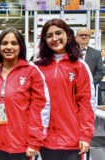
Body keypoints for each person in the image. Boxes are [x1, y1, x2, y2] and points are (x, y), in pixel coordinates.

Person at [0, 28, 50, 160]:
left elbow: (39, 109)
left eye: (14, 43)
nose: (9, 47)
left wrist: (35, 141)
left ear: (21, 47)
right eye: (4, 43)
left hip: (21, 143)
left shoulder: (31, 72)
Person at [36, 18, 96, 160]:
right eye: (49, 36)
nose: (54, 38)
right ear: (44, 40)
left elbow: (87, 103)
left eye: (58, 33)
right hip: (46, 140)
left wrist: (85, 135)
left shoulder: (80, 67)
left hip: (73, 140)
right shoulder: (37, 67)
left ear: (68, 35)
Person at [76, 28, 103, 105]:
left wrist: (88, 84)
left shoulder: (96, 53)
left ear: (89, 38)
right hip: (72, 90)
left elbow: (100, 72)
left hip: (90, 90)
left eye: (86, 35)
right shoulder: (70, 52)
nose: (84, 37)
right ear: (76, 37)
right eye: (81, 35)